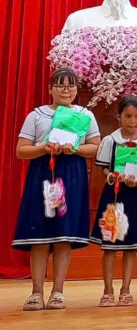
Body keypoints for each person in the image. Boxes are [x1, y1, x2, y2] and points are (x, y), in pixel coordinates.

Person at [14, 69, 100, 311]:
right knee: (40, 235)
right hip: (42, 174)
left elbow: (95, 146)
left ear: (76, 89)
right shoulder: (36, 115)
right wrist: (43, 147)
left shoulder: (85, 115)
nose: (66, 90)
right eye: (60, 85)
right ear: (50, 88)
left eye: (71, 86)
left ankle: (58, 292)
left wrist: (76, 149)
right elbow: (21, 150)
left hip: (72, 175)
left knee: (64, 235)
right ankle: (36, 293)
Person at [90, 95, 137, 306]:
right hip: (113, 195)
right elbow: (103, 169)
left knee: (131, 246)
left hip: (134, 196)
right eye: (128, 116)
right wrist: (112, 176)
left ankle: (126, 289)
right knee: (110, 246)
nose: (132, 121)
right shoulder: (110, 141)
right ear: (118, 116)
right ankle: (108, 290)